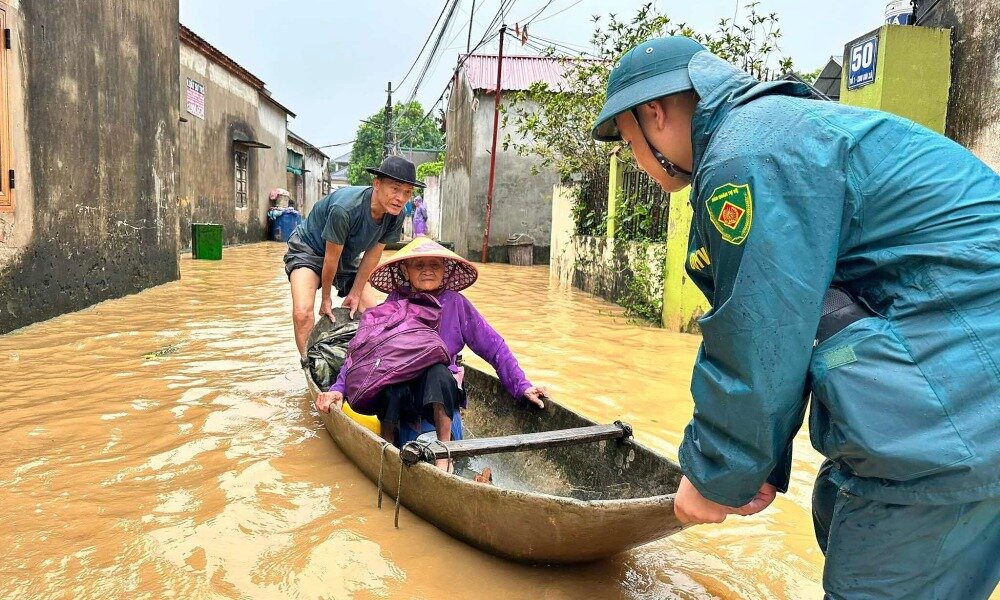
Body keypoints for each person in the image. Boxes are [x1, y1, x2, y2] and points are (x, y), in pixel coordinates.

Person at [591, 36, 1000, 598]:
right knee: (837, 500)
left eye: (628, 142)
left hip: (954, 405)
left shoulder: (744, 157)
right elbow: (794, 318)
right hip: (960, 392)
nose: (635, 160)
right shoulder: (782, 132)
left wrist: (715, 473)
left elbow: (758, 331)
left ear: (655, 114)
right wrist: (758, 467)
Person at [315, 237, 547, 471]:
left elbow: (494, 347)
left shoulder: (456, 303)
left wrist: (522, 385)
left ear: (444, 269)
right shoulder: (396, 301)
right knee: (389, 380)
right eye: (419, 265)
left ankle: (444, 456)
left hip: (440, 393)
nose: (427, 271)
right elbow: (366, 352)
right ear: (405, 270)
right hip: (404, 396)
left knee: (438, 371)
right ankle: (387, 445)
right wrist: (338, 389)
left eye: (434, 265)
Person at [284, 156, 421, 361]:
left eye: (407, 192)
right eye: (395, 189)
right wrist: (326, 298)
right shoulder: (345, 209)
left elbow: (372, 255)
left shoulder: (396, 215)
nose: (400, 198)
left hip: (347, 256)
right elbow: (330, 259)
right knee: (302, 313)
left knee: (374, 314)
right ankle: (310, 366)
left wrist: (355, 293)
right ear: (377, 184)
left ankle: (367, 365)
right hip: (309, 249)